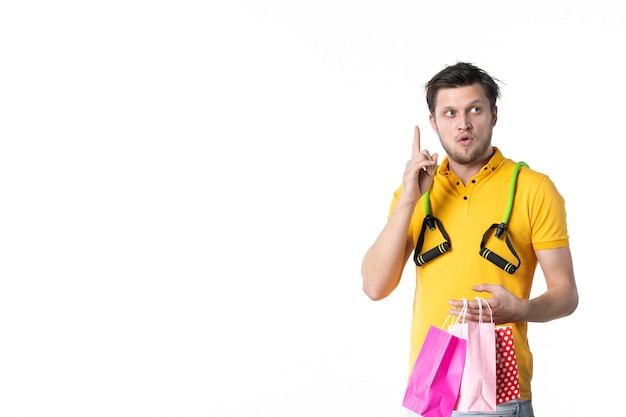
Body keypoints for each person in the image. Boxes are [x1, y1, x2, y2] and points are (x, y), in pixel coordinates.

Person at [361, 62, 578, 417]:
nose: (463, 124)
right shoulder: (415, 193)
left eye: (474, 109)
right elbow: (374, 286)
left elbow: (566, 293)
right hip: (434, 393)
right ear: (434, 123)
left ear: (494, 115)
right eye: (450, 113)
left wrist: (522, 309)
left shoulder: (532, 188)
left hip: (502, 395)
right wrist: (408, 202)